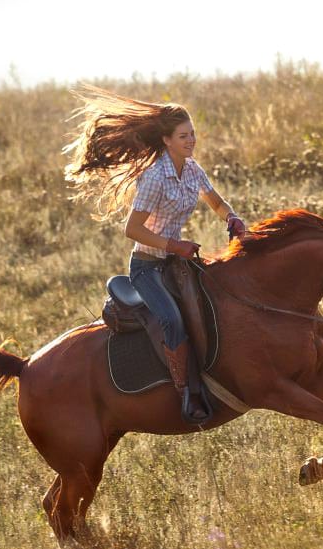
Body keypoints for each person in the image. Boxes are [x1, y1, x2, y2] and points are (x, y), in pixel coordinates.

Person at [64, 86, 246, 423]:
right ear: (166, 140)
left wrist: (232, 218)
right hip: (147, 268)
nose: (191, 141)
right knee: (173, 320)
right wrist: (175, 245)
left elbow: (217, 202)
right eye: (183, 136)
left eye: (192, 134)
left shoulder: (193, 170)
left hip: (175, 264)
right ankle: (187, 392)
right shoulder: (153, 178)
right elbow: (132, 230)